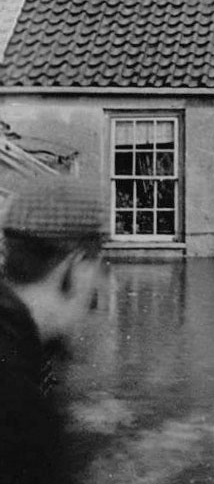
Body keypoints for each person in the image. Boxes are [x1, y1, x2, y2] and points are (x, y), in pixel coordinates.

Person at [0, 174, 108, 484]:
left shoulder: (25, 351)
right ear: (74, 266)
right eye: (100, 267)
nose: (99, 288)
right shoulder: (21, 406)